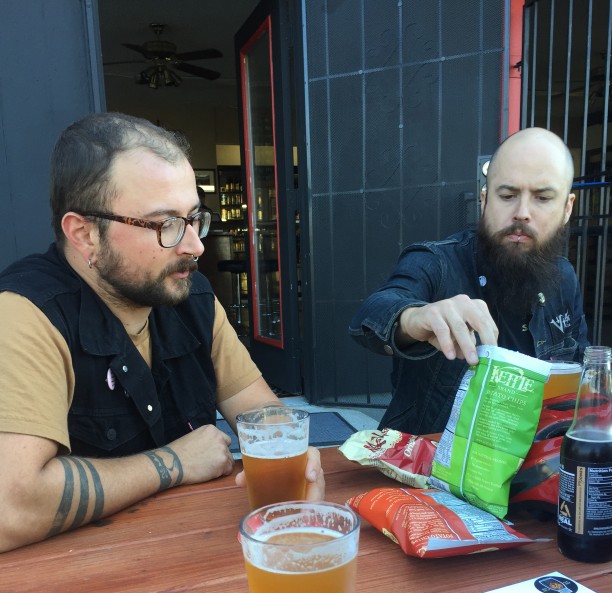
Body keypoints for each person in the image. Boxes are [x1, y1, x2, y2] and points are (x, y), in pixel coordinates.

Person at [0, 112, 323, 552]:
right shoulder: (25, 314)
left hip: (194, 557)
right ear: (85, 234)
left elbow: (261, 414)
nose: (195, 245)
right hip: (78, 588)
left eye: (194, 218)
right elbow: (10, 506)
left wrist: (294, 455)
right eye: (165, 225)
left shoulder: (191, 298)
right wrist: (173, 463)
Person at [349, 127, 589, 435]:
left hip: (538, 465)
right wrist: (416, 317)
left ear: (567, 208)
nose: (522, 213)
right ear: (485, 199)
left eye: (542, 198)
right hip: (429, 471)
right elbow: (371, 315)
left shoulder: (564, 278)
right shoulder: (437, 262)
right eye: (507, 195)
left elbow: (584, 373)